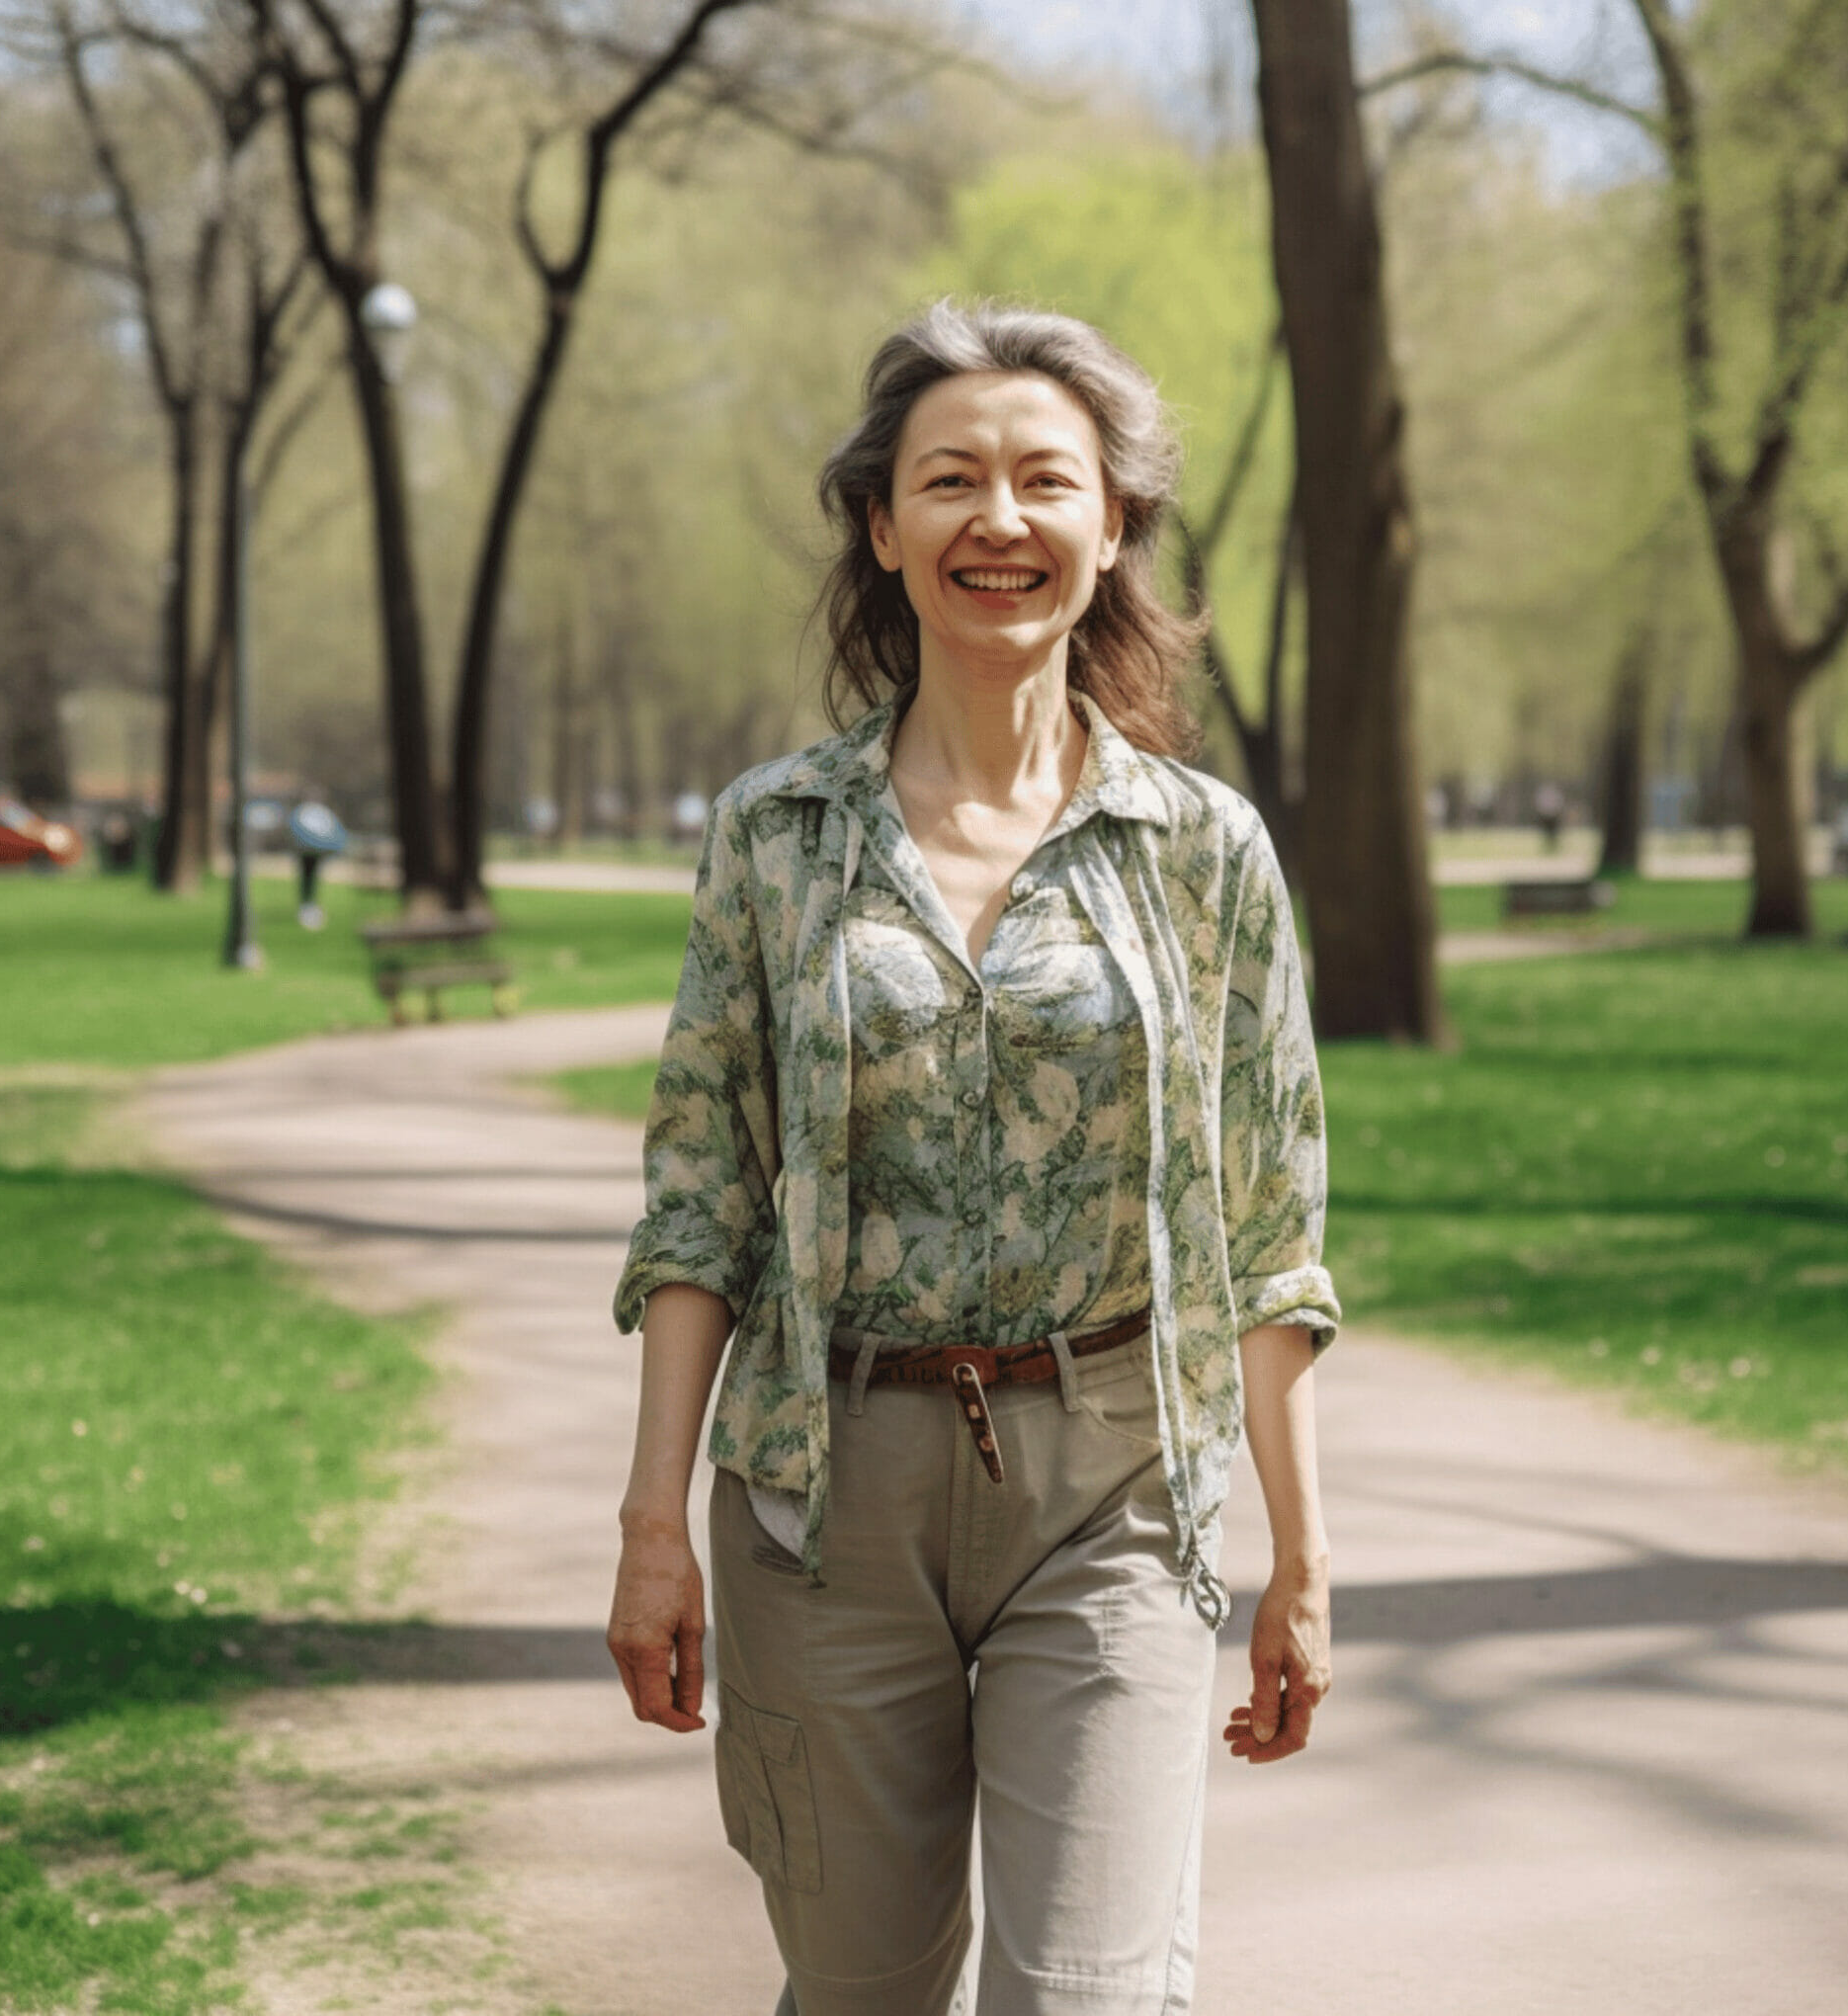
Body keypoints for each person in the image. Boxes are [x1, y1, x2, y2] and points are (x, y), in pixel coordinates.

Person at [607, 299, 1339, 2016]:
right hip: (820, 1492)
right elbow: (699, 1198)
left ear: (1110, 528)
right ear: (883, 525)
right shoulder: (775, 835)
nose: (996, 521)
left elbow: (1270, 1223)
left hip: (1114, 1484)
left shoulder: (1202, 852)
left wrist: (1301, 1557)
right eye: (949, 482)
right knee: (859, 1990)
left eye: (1043, 483)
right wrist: (654, 1523)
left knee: (1085, 1994)